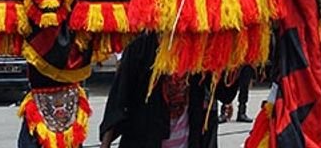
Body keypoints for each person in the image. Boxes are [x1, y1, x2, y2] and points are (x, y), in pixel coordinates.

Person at [99, 32, 237, 148]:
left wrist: (237, 46)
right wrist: (105, 144)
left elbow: (224, 92)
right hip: (145, 141)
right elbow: (117, 102)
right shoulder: (140, 49)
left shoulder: (199, 50)